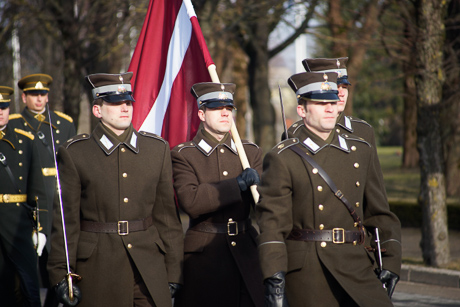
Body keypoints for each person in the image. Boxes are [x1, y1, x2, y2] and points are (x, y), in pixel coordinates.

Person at [256, 72, 402, 306]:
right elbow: (272, 225)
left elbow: (379, 213)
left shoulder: (360, 150)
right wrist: (274, 278)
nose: (330, 108)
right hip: (309, 273)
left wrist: (392, 261)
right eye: (321, 103)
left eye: (333, 102)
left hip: (357, 266)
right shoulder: (283, 157)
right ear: (302, 110)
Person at [47, 72, 184, 307]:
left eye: (128, 102)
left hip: (148, 267)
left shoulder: (156, 149)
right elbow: (66, 222)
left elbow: (167, 219)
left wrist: (174, 271)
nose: (125, 108)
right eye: (115, 102)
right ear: (97, 110)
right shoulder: (75, 153)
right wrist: (61, 274)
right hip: (98, 268)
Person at [171, 82, 264, 307]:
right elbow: (191, 202)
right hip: (205, 259)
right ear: (202, 113)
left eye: (229, 108)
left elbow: (266, 207)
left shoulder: (250, 152)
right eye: (216, 107)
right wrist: (237, 185)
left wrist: (266, 189)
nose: (225, 112)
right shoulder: (185, 155)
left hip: (247, 253)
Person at [8, 73, 76, 306]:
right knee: (26, 271)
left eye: (43, 94)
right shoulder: (14, 125)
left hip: (60, 205)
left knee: (59, 264)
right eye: (34, 95)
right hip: (29, 206)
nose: (39, 99)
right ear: (24, 97)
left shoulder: (64, 124)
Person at [0, 85, 48, 306]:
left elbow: (38, 190)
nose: (1, 112)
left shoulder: (24, 139)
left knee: (29, 286)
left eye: (4, 107)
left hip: (19, 221)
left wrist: (40, 229)